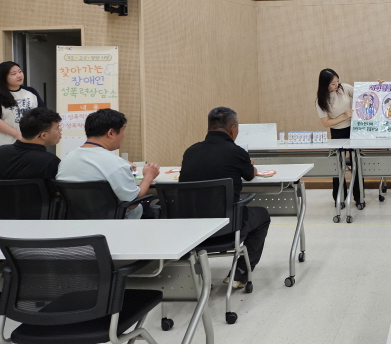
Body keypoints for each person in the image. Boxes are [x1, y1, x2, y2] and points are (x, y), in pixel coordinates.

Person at [181, 107, 271, 289]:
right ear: (233, 129)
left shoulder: (190, 151)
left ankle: (197, 278)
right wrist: (250, 166)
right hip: (227, 228)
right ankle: (239, 274)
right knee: (262, 216)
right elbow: (249, 175)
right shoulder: (236, 152)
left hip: (192, 230)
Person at [57, 108, 160, 219]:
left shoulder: (67, 159)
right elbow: (132, 202)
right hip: (116, 223)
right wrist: (149, 177)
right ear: (111, 133)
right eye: (123, 130)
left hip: (76, 222)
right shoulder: (116, 164)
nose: (124, 135)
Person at [316, 68, 359, 205]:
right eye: (333, 83)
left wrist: (378, 87)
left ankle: (359, 197)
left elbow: (363, 93)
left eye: (337, 81)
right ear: (325, 84)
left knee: (356, 163)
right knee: (338, 166)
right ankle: (339, 198)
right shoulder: (321, 100)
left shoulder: (344, 88)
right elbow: (326, 122)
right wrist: (344, 117)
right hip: (337, 132)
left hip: (353, 130)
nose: (336, 85)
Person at [0, 107, 62, 181]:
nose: (60, 132)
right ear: (44, 135)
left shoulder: (2, 152)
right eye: (58, 128)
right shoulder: (51, 161)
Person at [0, 61, 45, 146]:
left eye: (20, 71)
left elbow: (42, 114)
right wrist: (17, 134)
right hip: (6, 144)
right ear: (3, 77)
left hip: (31, 142)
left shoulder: (31, 91)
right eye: (13, 74)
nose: (19, 75)